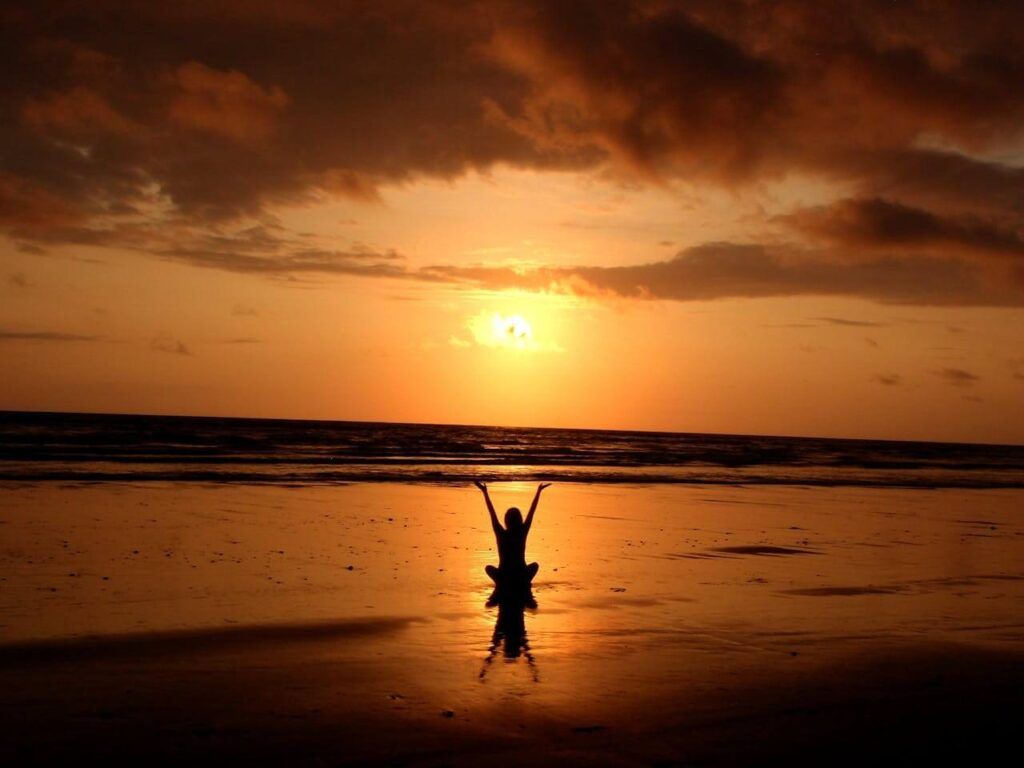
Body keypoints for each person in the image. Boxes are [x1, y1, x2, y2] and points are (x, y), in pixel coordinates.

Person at [474, 481, 550, 588]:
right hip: (521, 574)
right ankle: (521, 582)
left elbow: (492, 512)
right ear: (520, 519)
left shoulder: (501, 533)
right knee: (535, 565)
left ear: (506, 520)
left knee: (488, 568)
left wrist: (485, 492)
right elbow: (532, 511)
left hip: (503, 575)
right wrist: (538, 491)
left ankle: (505, 583)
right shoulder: (522, 532)